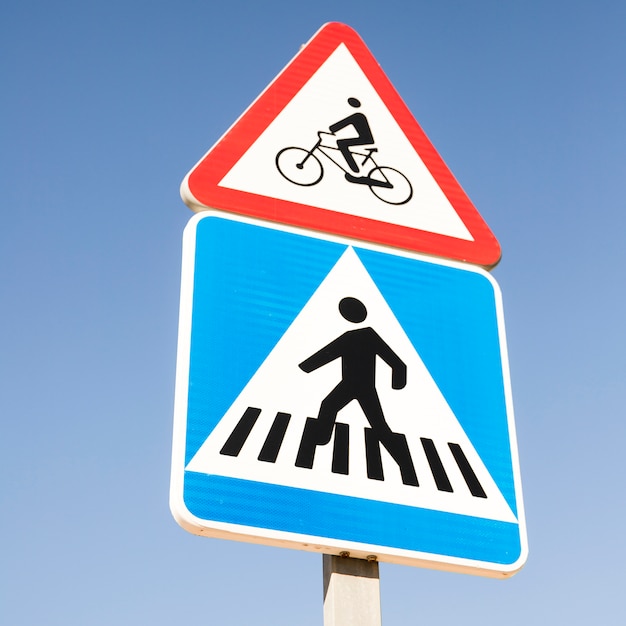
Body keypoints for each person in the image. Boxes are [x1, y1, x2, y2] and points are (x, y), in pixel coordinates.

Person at [295, 297, 417, 485]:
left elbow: (396, 362)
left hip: (363, 387)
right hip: (349, 384)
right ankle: (321, 438)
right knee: (328, 406)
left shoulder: (367, 335)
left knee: (378, 425)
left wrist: (398, 381)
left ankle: (404, 462)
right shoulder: (352, 336)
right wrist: (304, 367)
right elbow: (327, 353)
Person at [329, 98, 375, 173]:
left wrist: (332, 129)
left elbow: (343, 123)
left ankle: (355, 170)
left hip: (366, 139)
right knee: (341, 143)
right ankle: (355, 168)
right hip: (365, 138)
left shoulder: (358, 116)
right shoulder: (359, 115)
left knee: (341, 143)